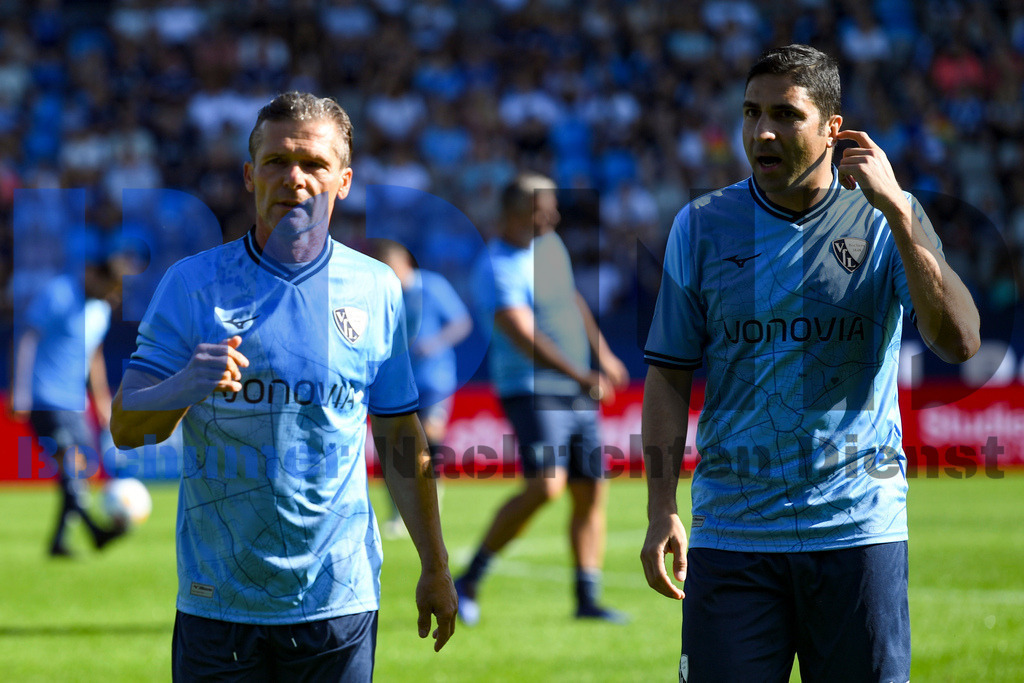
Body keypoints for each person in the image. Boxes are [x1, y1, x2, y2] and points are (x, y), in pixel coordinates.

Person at [640, 45, 980, 682]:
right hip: (732, 537)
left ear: (834, 128)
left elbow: (960, 342)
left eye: (786, 115)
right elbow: (667, 375)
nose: (761, 131)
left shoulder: (887, 219)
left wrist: (901, 215)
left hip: (856, 533)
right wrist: (661, 508)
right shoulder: (701, 226)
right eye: (750, 112)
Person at [110, 92, 457, 682]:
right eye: (275, 161)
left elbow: (400, 434)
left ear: (343, 181)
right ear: (250, 176)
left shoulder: (377, 289)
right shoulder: (191, 285)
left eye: (315, 164)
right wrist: (186, 384)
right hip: (217, 600)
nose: (294, 178)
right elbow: (125, 426)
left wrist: (435, 566)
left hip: (339, 600)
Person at [454, 172, 630, 625]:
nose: (553, 213)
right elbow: (520, 333)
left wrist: (603, 353)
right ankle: (469, 580)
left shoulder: (550, 246)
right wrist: (582, 373)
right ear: (516, 213)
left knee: (592, 490)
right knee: (546, 486)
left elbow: (571, 299)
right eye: (544, 206)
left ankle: (587, 599)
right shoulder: (495, 265)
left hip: (576, 386)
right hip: (532, 389)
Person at [10, 260, 126, 557]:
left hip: (75, 402)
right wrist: (20, 390)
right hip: (45, 397)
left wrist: (100, 399)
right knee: (70, 467)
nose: (110, 297)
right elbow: (27, 338)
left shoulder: (99, 310)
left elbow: (93, 354)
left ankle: (58, 542)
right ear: (92, 273)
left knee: (80, 472)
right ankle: (95, 531)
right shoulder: (59, 293)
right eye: (108, 289)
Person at [372, 239, 472, 538]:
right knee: (395, 448)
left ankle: (432, 494)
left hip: (434, 380)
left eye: (392, 268)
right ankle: (397, 513)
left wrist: (437, 342)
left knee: (429, 435)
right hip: (398, 381)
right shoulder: (384, 292)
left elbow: (461, 322)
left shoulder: (433, 286)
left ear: (404, 264)